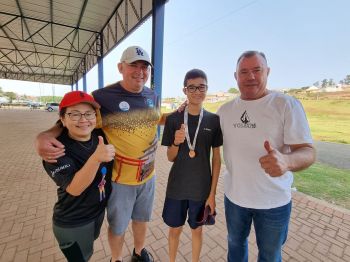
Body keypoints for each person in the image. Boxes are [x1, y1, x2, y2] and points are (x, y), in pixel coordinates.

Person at [35, 46, 166, 262]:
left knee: (142, 219)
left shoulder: (152, 94)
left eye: (145, 67)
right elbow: (77, 118)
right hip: (121, 178)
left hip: (148, 175)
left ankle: (138, 252)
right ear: (120, 67)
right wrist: (44, 135)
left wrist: (183, 115)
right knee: (119, 225)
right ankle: (116, 259)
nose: (140, 71)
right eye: (134, 65)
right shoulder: (103, 97)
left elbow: (156, 118)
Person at [217, 51, 316, 262]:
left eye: (256, 70)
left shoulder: (286, 105)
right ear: (235, 76)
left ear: (267, 72)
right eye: (244, 71)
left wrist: (287, 161)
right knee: (235, 245)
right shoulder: (224, 111)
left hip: (274, 202)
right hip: (234, 198)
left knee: (270, 255)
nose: (250, 76)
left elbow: (308, 151)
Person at [42, 91, 115, 261]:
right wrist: (96, 158)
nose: (83, 120)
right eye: (74, 114)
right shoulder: (55, 150)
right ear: (63, 119)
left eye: (88, 113)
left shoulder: (100, 136)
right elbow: (75, 188)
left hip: (96, 214)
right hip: (73, 221)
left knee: (88, 250)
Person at [161, 69, 223, 262]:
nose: (197, 91)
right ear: (185, 90)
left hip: (201, 189)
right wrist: (176, 143)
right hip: (177, 187)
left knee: (197, 231)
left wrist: (212, 194)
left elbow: (216, 159)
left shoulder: (214, 120)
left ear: (207, 88)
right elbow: (170, 157)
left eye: (201, 87)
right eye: (192, 87)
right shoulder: (173, 119)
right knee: (174, 230)